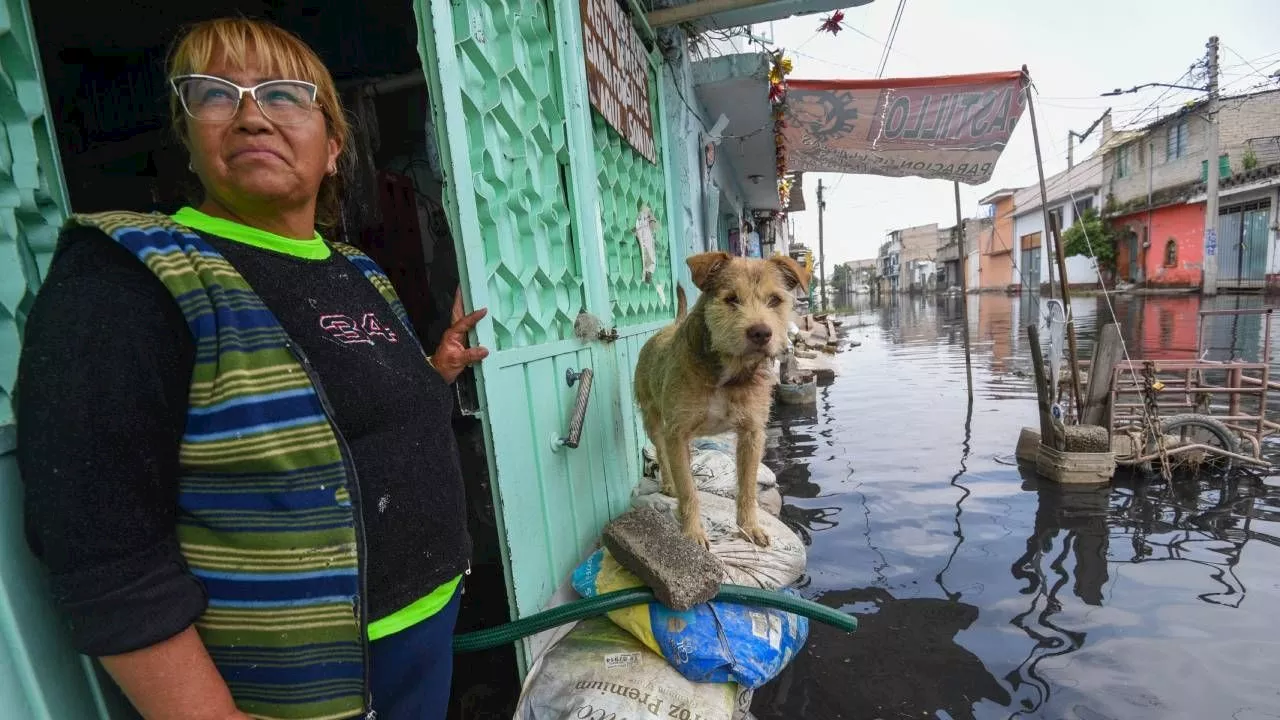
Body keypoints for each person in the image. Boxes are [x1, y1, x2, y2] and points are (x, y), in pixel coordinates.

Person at [17, 17, 487, 720]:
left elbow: (330, 414)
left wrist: (432, 371)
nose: (250, 115)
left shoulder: (356, 269)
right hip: (304, 690)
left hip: (427, 630)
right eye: (215, 93)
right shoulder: (131, 274)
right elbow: (100, 547)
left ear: (333, 147)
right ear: (189, 135)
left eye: (284, 94)